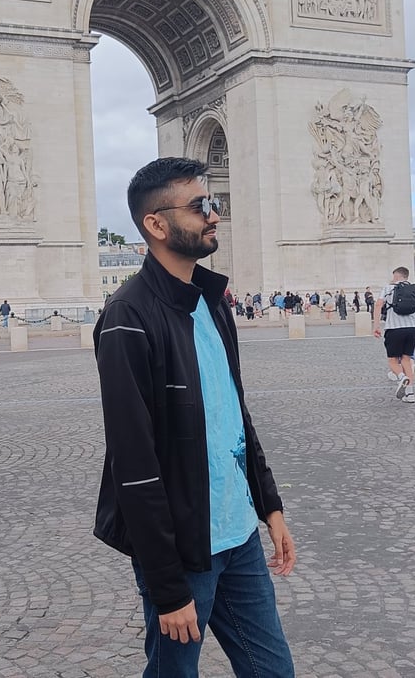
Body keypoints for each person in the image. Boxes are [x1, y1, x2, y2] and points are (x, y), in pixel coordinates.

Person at [93, 157, 296, 677]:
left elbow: (235, 413)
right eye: (201, 206)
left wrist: (269, 505)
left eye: (216, 203)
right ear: (155, 225)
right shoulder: (126, 318)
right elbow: (133, 463)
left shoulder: (212, 301)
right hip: (183, 549)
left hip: (238, 537)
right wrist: (166, 586)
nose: (215, 216)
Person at [373, 266, 415, 404]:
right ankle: (410, 394)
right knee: (406, 360)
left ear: (397, 276)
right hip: (411, 329)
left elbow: (378, 305)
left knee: (393, 361)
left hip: (394, 328)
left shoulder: (388, 288)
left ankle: (401, 377)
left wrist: (376, 326)